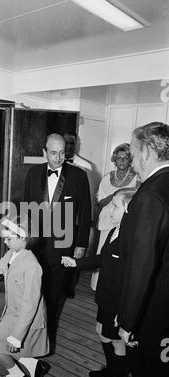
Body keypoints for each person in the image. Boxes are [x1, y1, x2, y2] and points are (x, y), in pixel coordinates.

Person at [99, 122, 169, 377]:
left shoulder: (150, 195)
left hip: (151, 311)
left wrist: (127, 320)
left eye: (133, 147)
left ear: (147, 150)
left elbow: (141, 264)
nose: (130, 154)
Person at [62, 188, 137, 377]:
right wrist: (76, 263)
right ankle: (112, 369)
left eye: (115, 206)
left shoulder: (131, 240)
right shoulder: (115, 230)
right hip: (106, 295)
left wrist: (123, 312)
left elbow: (131, 280)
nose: (110, 209)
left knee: (116, 341)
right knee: (101, 331)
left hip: (117, 301)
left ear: (128, 210)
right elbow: (102, 258)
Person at [24, 133, 91, 346]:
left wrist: (81, 244)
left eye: (62, 152)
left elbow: (86, 211)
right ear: (44, 152)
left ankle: (47, 332)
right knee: (34, 286)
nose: (58, 157)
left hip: (64, 242)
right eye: (53, 153)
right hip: (35, 242)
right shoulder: (33, 173)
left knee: (54, 289)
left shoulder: (79, 176)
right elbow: (26, 208)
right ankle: (30, 326)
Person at [0, 215, 50, 377]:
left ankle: (17, 373)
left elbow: (30, 305)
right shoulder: (11, 255)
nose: (5, 242)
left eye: (8, 238)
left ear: (23, 237)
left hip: (24, 317)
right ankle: (31, 366)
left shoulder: (32, 266)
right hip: (12, 313)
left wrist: (16, 337)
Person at [91, 143, 140, 291]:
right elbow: (100, 200)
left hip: (124, 221)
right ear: (114, 159)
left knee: (120, 254)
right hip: (107, 220)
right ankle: (96, 285)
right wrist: (115, 195)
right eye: (119, 158)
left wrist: (119, 196)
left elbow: (136, 197)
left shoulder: (136, 178)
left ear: (130, 160)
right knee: (102, 251)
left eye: (125, 158)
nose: (122, 161)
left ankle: (115, 286)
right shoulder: (107, 178)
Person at [63, 132, 94, 298]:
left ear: (77, 145)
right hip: (55, 220)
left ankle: (69, 286)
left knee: (73, 254)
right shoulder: (53, 163)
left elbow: (88, 199)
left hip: (74, 221)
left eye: (71, 143)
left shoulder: (85, 166)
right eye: (65, 143)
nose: (68, 146)